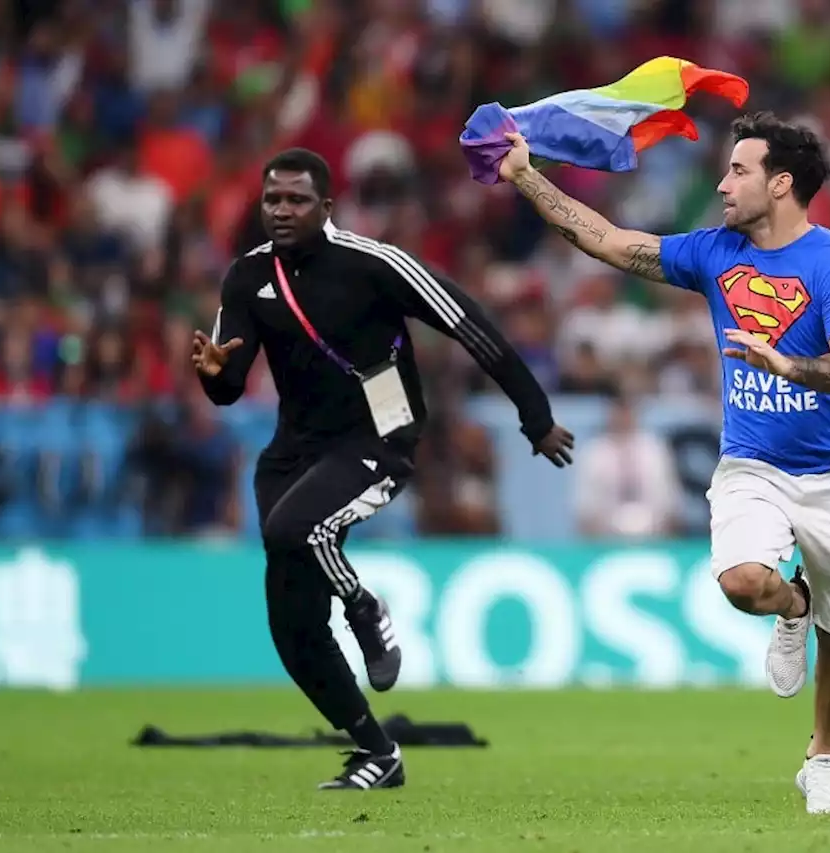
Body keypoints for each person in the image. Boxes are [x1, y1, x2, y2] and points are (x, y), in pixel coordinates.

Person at [496, 112, 830, 815]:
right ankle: (793, 603)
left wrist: (787, 363)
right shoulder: (712, 252)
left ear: (782, 183)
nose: (722, 182)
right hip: (755, 463)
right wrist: (527, 176)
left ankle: (822, 756)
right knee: (743, 581)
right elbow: (610, 242)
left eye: (738, 170)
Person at [191, 148, 574, 791]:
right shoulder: (247, 278)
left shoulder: (376, 264)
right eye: (271, 200)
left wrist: (534, 416)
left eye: (296, 200)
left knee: (294, 533)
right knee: (291, 623)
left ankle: (367, 609)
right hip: (293, 453)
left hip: (378, 440)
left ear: (327, 208)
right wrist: (214, 377)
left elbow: (470, 326)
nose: (281, 212)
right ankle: (378, 752)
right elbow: (229, 385)